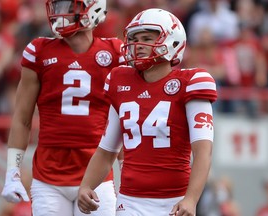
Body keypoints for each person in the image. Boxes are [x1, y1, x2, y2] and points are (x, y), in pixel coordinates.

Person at [78, 8, 217, 216]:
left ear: (172, 41)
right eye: (134, 38)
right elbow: (107, 151)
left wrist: (191, 199)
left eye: (147, 38)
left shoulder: (191, 83)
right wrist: (86, 185)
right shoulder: (120, 81)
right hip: (131, 201)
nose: (138, 44)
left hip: (175, 200)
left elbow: (203, 152)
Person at [1, 0, 124, 215]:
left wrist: (126, 168)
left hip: (96, 175)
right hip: (48, 177)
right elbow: (22, 118)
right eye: (57, 6)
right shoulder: (39, 51)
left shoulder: (114, 53)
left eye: (68, 6)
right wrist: (13, 171)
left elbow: (125, 118)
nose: (59, 13)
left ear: (92, 7)